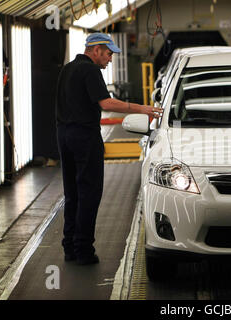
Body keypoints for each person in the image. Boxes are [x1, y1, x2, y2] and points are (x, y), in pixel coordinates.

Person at [55, 33, 162, 265]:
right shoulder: (90, 70)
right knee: (89, 192)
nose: (110, 59)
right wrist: (141, 108)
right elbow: (106, 103)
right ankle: (84, 249)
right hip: (84, 136)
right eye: (108, 53)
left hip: (64, 135)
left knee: (72, 192)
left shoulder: (67, 69)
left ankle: (70, 247)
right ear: (95, 50)